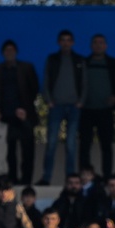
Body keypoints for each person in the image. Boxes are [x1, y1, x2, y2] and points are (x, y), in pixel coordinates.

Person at [79, 34, 115, 179]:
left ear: (106, 46)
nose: (98, 45)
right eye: (95, 42)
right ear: (91, 46)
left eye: (101, 43)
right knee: (84, 146)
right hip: (86, 111)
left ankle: (107, 176)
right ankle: (85, 176)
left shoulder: (114, 63)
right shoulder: (82, 63)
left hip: (105, 111)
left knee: (106, 146)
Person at [37, 30, 86, 186]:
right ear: (59, 42)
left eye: (68, 40)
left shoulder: (79, 60)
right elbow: (45, 81)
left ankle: (70, 180)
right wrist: (48, 100)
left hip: (74, 106)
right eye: (63, 40)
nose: (66, 43)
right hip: (56, 106)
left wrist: (81, 101)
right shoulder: (52, 59)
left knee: (71, 145)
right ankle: (46, 178)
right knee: (51, 143)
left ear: (73, 42)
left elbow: (85, 82)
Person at [0, 40, 39, 185]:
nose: (9, 52)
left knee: (28, 151)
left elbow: (34, 88)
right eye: (6, 50)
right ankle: (12, 178)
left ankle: (26, 180)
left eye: (12, 50)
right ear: (2, 53)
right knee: (9, 152)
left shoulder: (26, 67)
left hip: (24, 117)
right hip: (6, 116)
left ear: (16, 52)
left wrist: (25, 109)